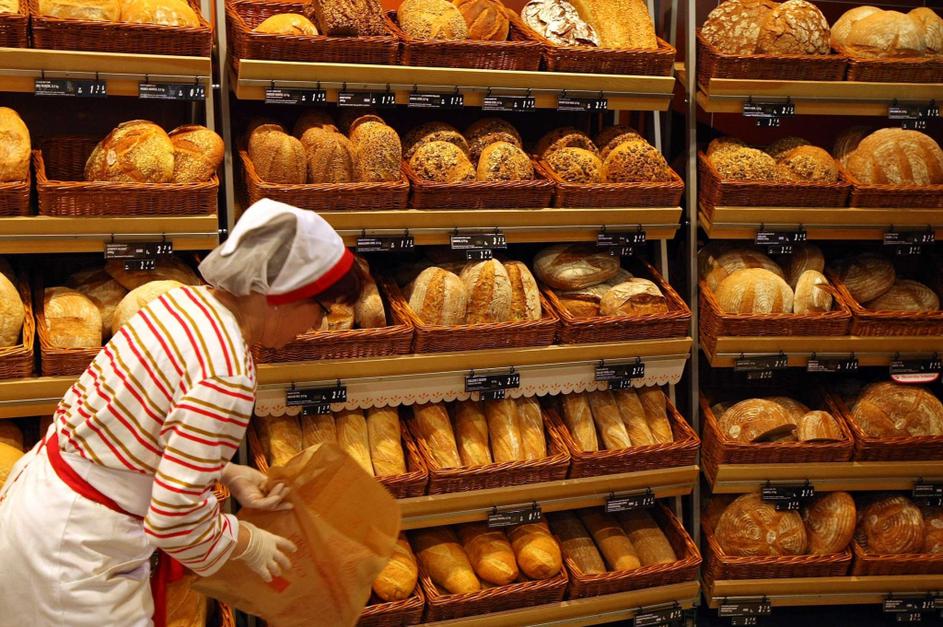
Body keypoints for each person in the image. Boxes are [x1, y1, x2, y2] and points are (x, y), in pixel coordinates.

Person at [0, 199, 361, 626]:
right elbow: (174, 521)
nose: (316, 327)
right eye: (322, 309)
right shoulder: (226, 373)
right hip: (76, 556)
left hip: (42, 508)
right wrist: (247, 542)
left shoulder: (180, 303)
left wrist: (225, 472)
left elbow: (137, 424)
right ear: (284, 293)